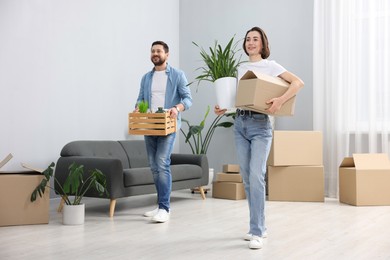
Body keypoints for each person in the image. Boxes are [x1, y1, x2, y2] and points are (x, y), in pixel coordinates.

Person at [215, 27, 304, 249]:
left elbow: (297, 83)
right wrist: (222, 108)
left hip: (260, 126)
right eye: (247, 39)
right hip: (240, 124)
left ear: (263, 44)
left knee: (256, 176)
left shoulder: (271, 66)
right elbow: (238, 99)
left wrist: (280, 100)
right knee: (247, 178)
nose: (251, 42)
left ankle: (257, 230)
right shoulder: (239, 68)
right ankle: (258, 227)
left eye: (255, 39)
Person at [135, 41, 192, 223]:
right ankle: (160, 205)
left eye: (159, 51)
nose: (155, 53)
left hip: (168, 125)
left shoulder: (177, 75)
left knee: (162, 163)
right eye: (153, 51)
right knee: (153, 166)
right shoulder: (146, 78)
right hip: (149, 124)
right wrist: (137, 108)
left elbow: (188, 99)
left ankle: (164, 208)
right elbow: (140, 99)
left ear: (167, 55)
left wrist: (176, 108)